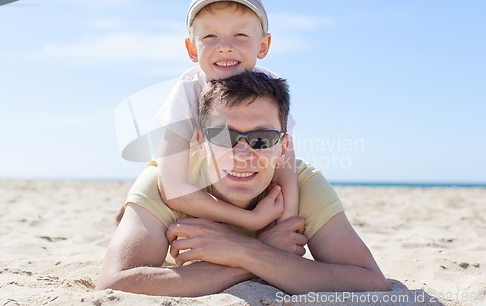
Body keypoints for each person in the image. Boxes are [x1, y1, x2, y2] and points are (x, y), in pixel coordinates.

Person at [97, 71, 390, 296]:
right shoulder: (166, 181)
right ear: (200, 139)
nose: (242, 155)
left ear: (283, 146)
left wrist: (243, 251)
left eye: (262, 139)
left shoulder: (303, 184)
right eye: (224, 136)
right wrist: (262, 253)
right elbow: (115, 283)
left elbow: (370, 282)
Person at [116, 0, 299, 230]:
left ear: (263, 45)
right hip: (186, 169)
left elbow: (286, 174)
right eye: (210, 35)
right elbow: (172, 184)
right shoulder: (188, 89)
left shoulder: (271, 91)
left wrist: (285, 229)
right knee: (150, 187)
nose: (225, 46)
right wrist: (250, 220)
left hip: (235, 173)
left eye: (241, 34)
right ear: (192, 49)